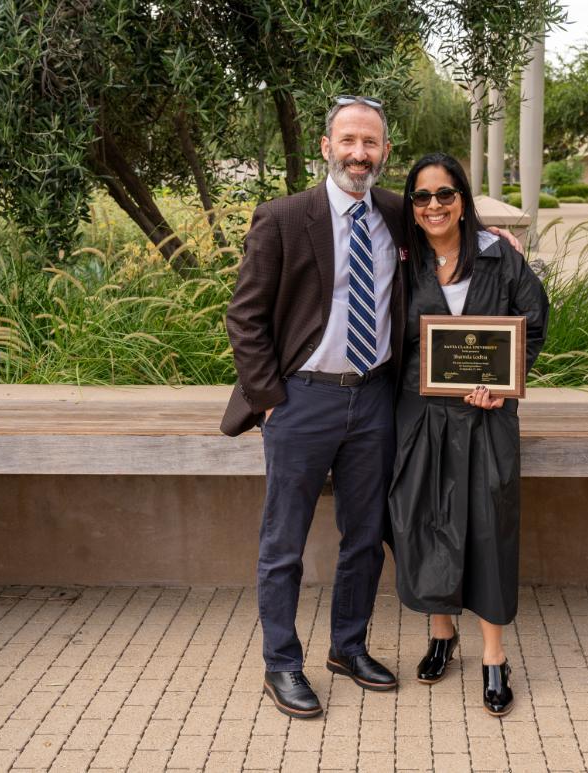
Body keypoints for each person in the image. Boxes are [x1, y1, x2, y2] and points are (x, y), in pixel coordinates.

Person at [222, 96, 403, 719]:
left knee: (365, 537)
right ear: (326, 146)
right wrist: (271, 401)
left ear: (384, 151)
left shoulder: (397, 215)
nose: (360, 154)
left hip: (374, 397)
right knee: (284, 543)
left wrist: (496, 238)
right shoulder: (283, 217)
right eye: (349, 141)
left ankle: (347, 648)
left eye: (371, 143)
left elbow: (453, 229)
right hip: (302, 401)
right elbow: (244, 316)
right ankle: (282, 665)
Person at [388, 152, 548, 717]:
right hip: (422, 414)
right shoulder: (401, 261)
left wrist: (505, 385)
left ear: (463, 200)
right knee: (424, 521)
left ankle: (494, 657)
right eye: (423, 196)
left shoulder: (497, 255)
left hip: (486, 418)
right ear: (412, 204)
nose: (434, 205)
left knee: (487, 526)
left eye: (445, 194)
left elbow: (532, 322)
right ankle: (440, 632)